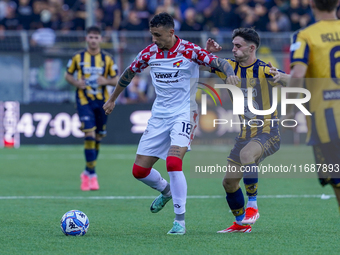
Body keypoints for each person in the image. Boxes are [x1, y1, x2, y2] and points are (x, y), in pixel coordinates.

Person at [103, 12, 239, 235]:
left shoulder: (190, 50)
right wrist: (112, 99)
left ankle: (180, 222)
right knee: (139, 171)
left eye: (158, 35)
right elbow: (128, 73)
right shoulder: (149, 53)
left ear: (171, 32)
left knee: (173, 163)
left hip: (184, 114)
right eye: (152, 35)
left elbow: (219, 63)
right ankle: (166, 192)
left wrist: (231, 75)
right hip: (159, 116)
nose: (154, 39)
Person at [205, 28, 290, 233]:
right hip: (244, 134)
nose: (233, 49)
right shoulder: (229, 67)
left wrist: (281, 77)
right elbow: (199, 63)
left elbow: (297, 81)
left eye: (238, 46)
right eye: (233, 45)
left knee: (246, 154)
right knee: (229, 183)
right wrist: (207, 52)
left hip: (268, 131)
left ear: (251, 48)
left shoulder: (264, 70)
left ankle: (253, 206)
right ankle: (241, 223)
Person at [288, 0, 340, 212]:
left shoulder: (305, 35)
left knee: (337, 180)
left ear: (311, 5)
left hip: (327, 120)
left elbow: (298, 74)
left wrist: (290, 109)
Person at [65, 26, 118, 191]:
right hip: (84, 101)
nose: (93, 40)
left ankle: (87, 171)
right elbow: (67, 74)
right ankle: (92, 174)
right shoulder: (77, 57)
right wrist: (76, 82)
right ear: (86, 38)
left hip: (102, 102)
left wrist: (106, 81)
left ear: (100, 39)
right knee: (89, 134)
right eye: (91, 37)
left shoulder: (107, 59)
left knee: (98, 137)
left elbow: (117, 79)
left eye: (96, 37)